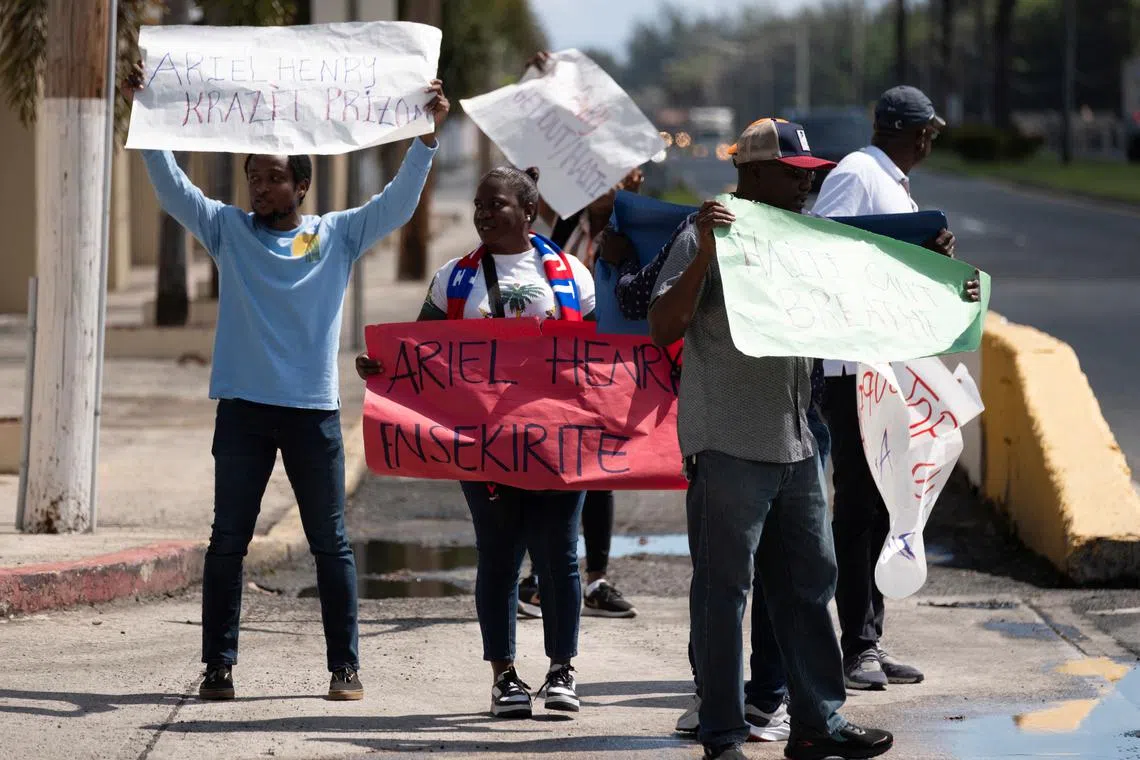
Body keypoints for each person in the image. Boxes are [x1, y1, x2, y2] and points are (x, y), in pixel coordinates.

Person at [124, 62, 447, 702]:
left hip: (312, 415)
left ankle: (344, 668)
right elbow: (173, 188)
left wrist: (427, 139)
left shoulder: (336, 236)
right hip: (243, 412)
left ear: (301, 185)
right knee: (227, 543)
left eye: (273, 178)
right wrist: (145, 112)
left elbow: (396, 204)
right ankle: (218, 667)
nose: (260, 187)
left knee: (331, 544)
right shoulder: (228, 231)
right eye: (253, 176)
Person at [648, 117, 895, 760]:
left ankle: (817, 725)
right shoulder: (704, 232)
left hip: (797, 441)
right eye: (793, 174)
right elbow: (662, 325)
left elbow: (867, 305)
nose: (805, 185)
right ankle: (723, 732)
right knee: (725, 593)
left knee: (810, 586)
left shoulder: (804, 239)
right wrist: (706, 254)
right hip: (728, 441)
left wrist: (938, 274)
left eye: (809, 174)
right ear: (753, 172)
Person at [356, 166, 596, 719]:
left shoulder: (573, 276)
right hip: (485, 448)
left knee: (559, 556)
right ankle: (504, 677)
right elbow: (420, 349)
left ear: (528, 212)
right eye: (480, 205)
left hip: (556, 443)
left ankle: (562, 670)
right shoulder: (453, 280)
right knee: (499, 556)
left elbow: (597, 359)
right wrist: (384, 366)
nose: (484, 214)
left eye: (497, 204)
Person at [813, 86, 978, 692]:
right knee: (860, 506)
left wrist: (936, 263)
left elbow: (886, 265)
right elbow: (821, 249)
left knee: (886, 503)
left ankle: (870, 641)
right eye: (929, 132)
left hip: (887, 366)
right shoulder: (857, 174)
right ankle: (856, 648)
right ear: (920, 134)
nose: (930, 141)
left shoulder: (892, 185)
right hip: (854, 370)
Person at [512, 51, 643, 622]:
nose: (607, 185)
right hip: (557, 368)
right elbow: (527, 168)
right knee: (546, 468)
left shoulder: (635, 231)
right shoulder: (562, 227)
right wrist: (539, 86)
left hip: (607, 369)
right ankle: (535, 578)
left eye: (617, 176)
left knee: (601, 470)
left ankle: (596, 580)